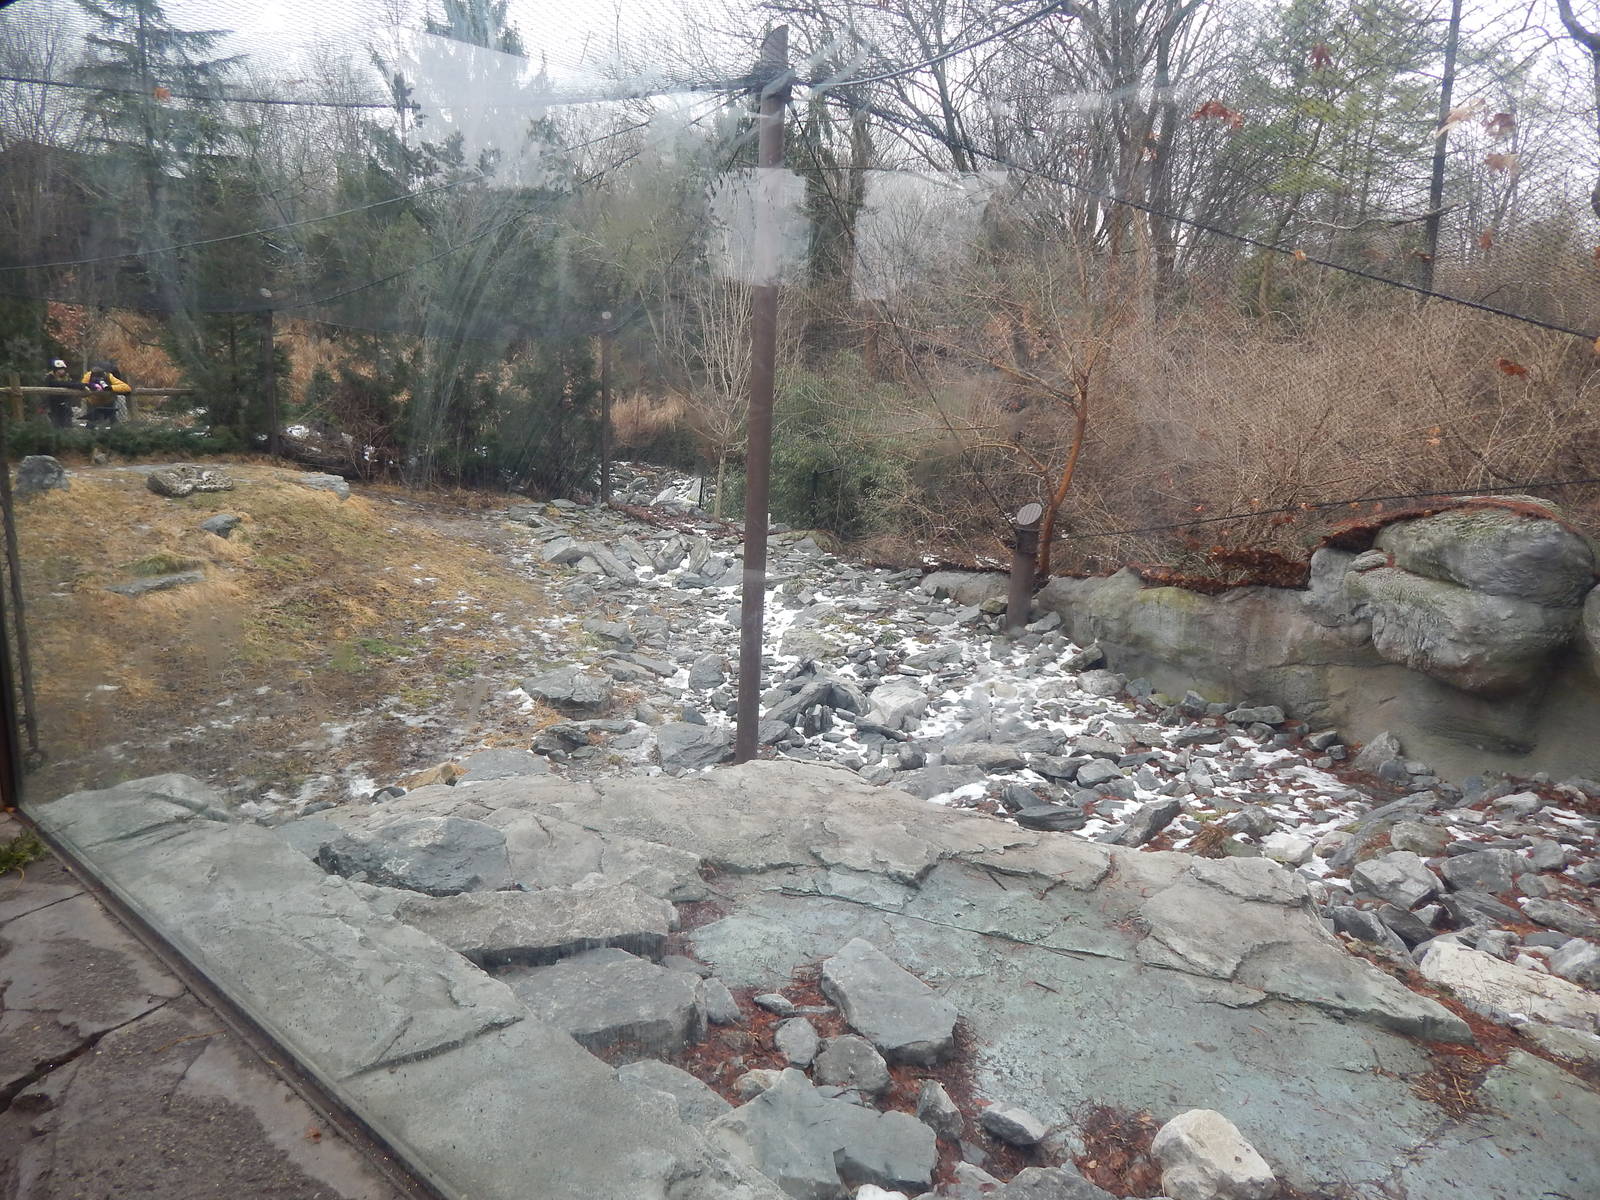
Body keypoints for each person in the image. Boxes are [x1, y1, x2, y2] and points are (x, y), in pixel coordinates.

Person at [81, 363, 130, 428]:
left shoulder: (108, 376)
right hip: (93, 402)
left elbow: (126, 388)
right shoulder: (88, 376)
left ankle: (114, 431)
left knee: (113, 422)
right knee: (92, 422)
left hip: (108, 401)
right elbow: (81, 386)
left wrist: (110, 388)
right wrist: (91, 387)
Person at [41, 359, 81, 429]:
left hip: (65, 404)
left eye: (63, 369)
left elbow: (71, 383)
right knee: (56, 425)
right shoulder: (49, 378)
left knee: (67, 424)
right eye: (60, 369)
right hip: (53, 405)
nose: (63, 371)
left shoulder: (66, 377)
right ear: (56, 370)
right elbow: (57, 384)